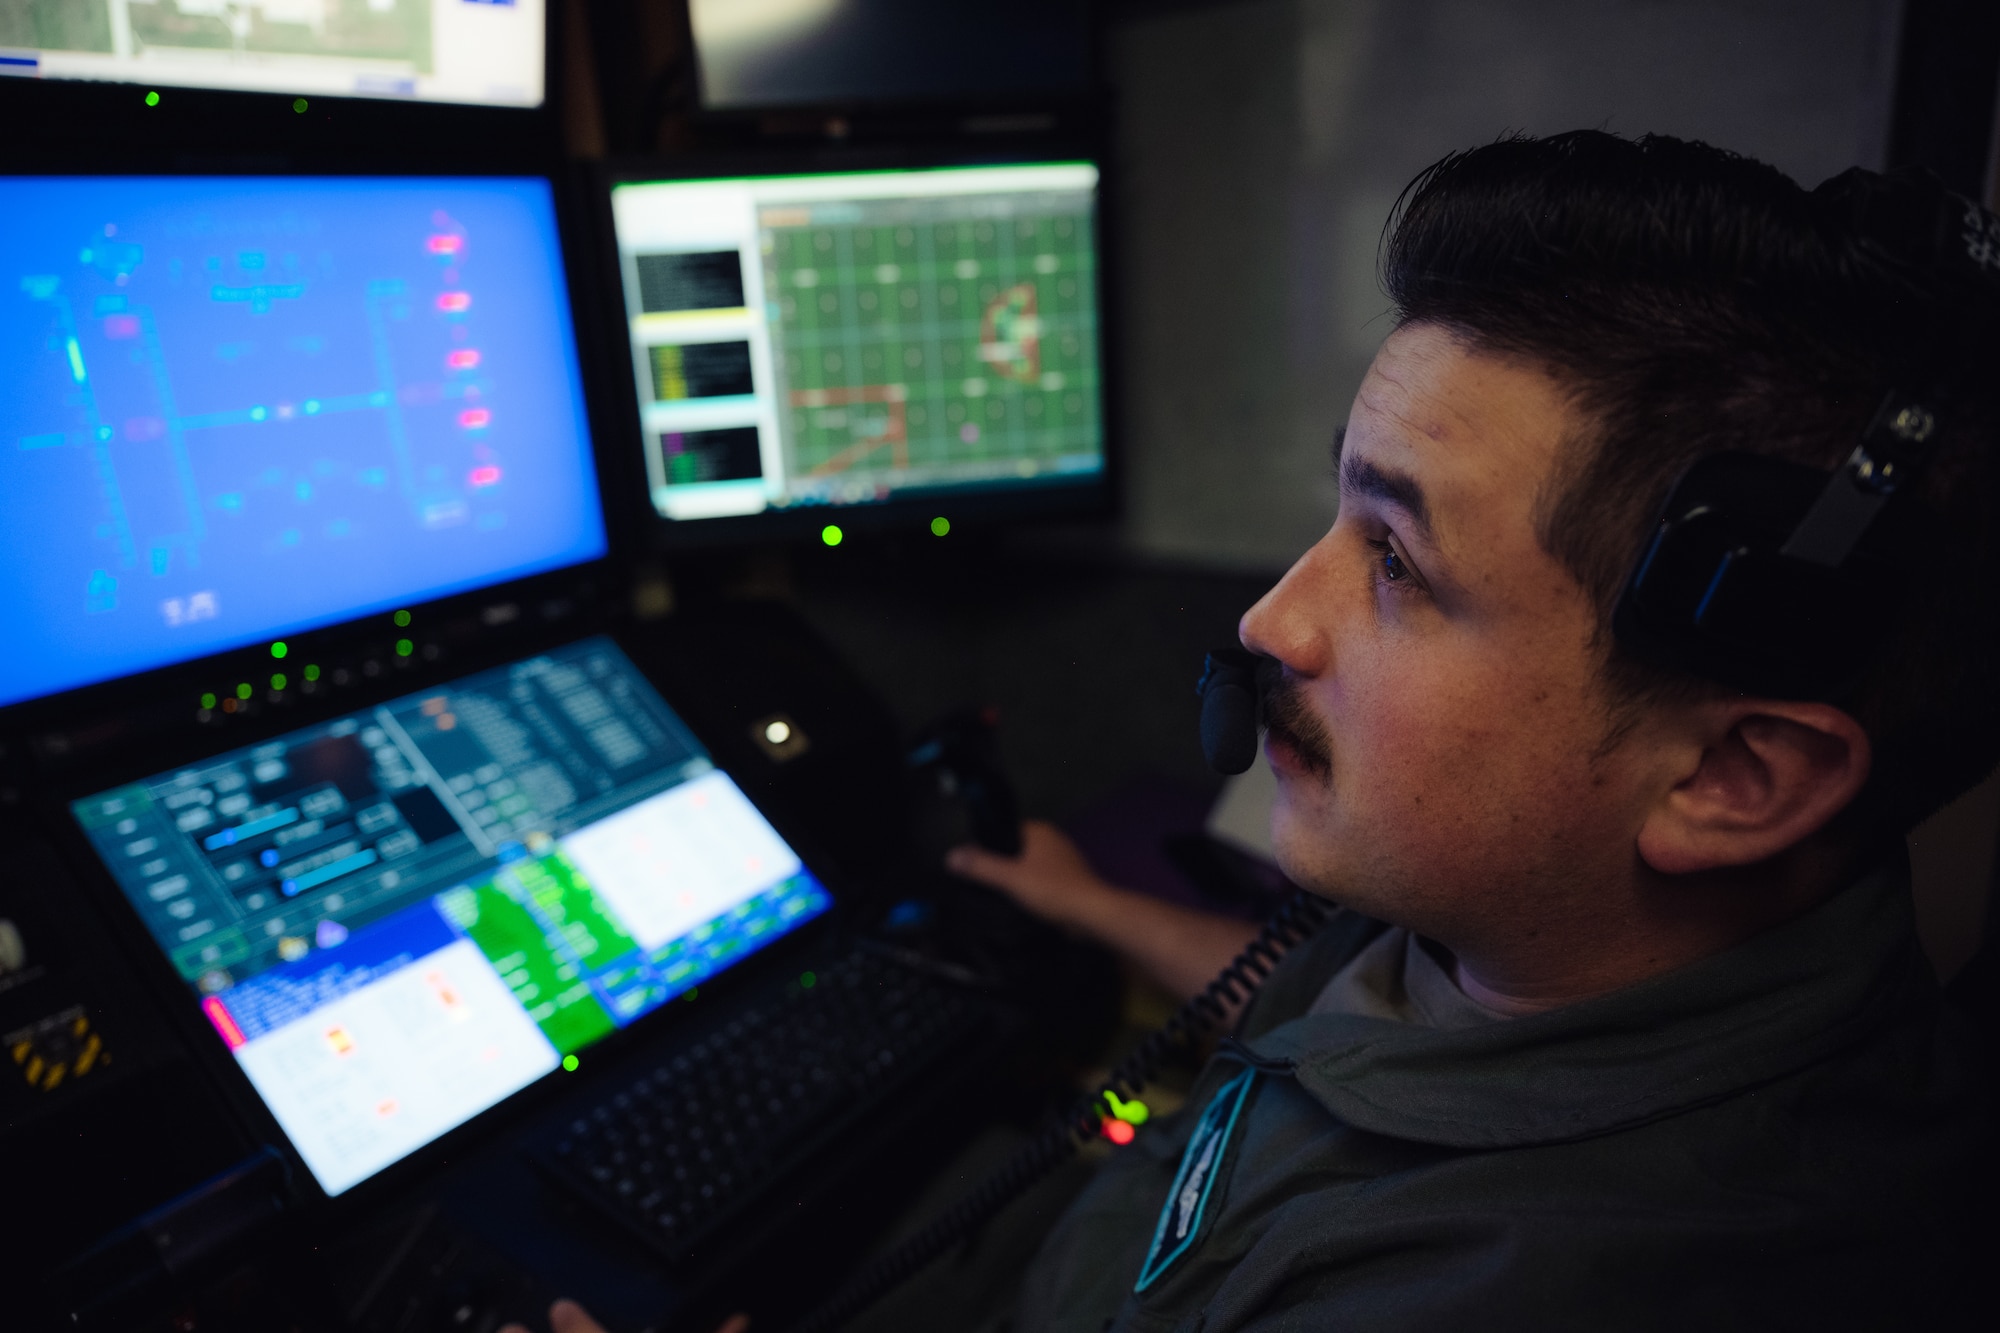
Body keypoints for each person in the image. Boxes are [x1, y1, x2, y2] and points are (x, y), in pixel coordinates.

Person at [512, 131, 1993, 1332]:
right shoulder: (1523, 916)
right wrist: (1084, 904)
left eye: (1398, 563)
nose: (1275, 622)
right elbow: (1324, 1022)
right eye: (1337, 514)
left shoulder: (1535, 1284)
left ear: (1735, 779)